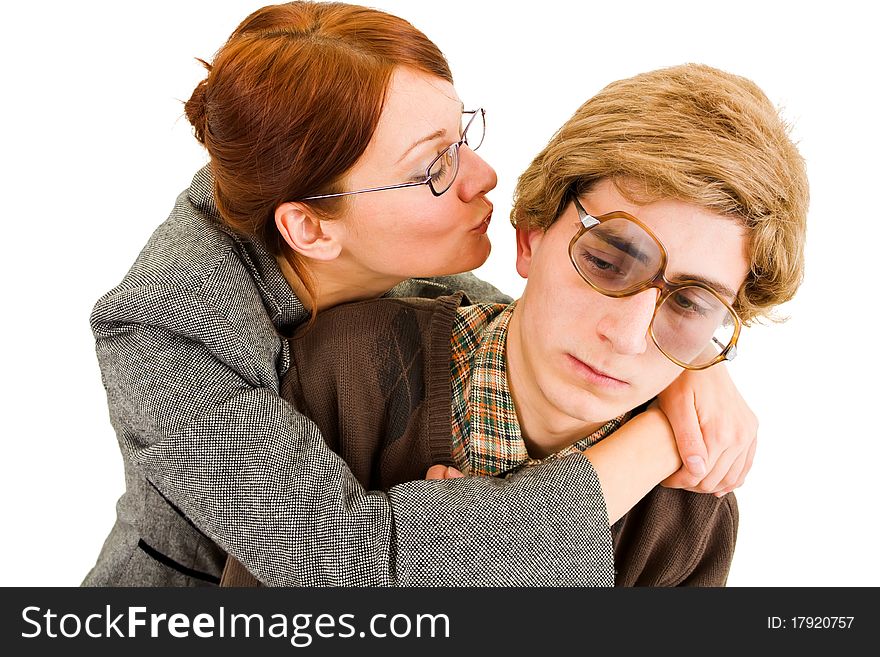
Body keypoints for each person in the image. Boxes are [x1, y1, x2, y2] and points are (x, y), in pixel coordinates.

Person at [83, 2, 758, 587]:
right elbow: (349, 570)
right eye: (433, 166)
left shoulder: (373, 250)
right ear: (311, 228)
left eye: (461, 137)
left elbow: (557, 317)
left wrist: (691, 369)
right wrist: (660, 441)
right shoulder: (164, 332)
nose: (485, 174)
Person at [221, 63, 809, 586]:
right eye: (606, 261)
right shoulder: (347, 369)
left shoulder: (689, 518)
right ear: (530, 235)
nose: (626, 337)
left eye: (690, 305)